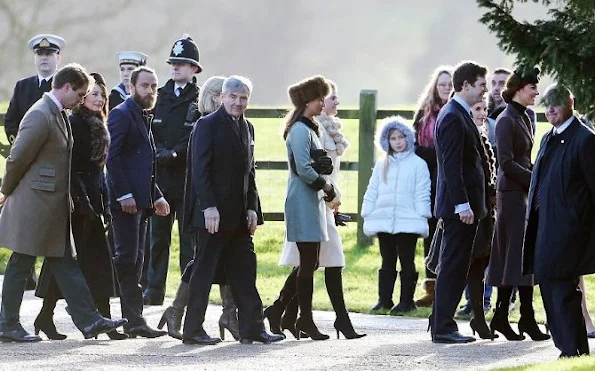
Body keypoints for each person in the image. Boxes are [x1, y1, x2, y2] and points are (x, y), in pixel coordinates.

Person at [0, 63, 127, 342]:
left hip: (52, 204)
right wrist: (6, 190)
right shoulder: (40, 114)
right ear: (67, 87)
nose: (82, 100)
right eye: (80, 94)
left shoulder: (56, 113)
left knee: (65, 261)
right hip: (35, 203)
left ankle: (90, 320)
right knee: (22, 262)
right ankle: (7, 324)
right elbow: (18, 157)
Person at [181, 76, 283, 345]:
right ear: (222, 97)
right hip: (211, 215)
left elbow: (249, 172)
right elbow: (199, 171)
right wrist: (209, 207)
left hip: (239, 215)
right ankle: (192, 330)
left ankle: (253, 328)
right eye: (234, 97)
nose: (239, 103)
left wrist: (252, 208)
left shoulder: (248, 127)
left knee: (245, 270)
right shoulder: (206, 126)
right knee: (203, 271)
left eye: (244, 98)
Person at [266, 80, 364, 340]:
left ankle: (294, 316)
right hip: (303, 200)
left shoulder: (310, 129)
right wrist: (328, 188)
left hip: (313, 200)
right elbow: (304, 169)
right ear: (307, 102)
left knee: (311, 261)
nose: (323, 103)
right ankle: (303, 319)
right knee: (308, 262)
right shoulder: (299, 130)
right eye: (319, 99)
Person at [158, 75, 241, 341]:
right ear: (216, 97)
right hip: (200, 199)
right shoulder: (205, 124)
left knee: (212, 259)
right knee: (206, 260)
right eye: (225, 95)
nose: (232, 101)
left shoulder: (228, 123)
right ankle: (185, 311)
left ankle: (184, 310)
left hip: (211, 200)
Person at [523, 83, 595, 358]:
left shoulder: (585, 139)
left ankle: (572, 349)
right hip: (544, 226)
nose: (550, 109)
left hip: (570, 230)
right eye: (547, 103)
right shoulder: (548, 138)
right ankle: (570, 347)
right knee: (549, 284)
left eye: (557, 103)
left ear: (571, 104)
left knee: (563, 288)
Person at [106, 66, 170, 338]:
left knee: (136, 260)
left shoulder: (143, 116)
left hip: (141, 202)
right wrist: (123, 195)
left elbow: (143, 165)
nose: (151, 91)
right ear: (132, 87)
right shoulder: (121, 115)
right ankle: (132, 319)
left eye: (154, 86)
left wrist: (157, 195)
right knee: (128, 260)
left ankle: (132, 319)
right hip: (125, 203)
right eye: (145, 85)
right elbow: (113, 158)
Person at [486, 67, 549, 342]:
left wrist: (539, 173)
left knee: (521, 256)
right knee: (515, 255)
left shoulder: (523, 116)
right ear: (519, 89)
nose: (536, 92)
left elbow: (523, 159)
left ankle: (516, 316)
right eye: (532, 87)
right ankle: (515, 316)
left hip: (522, 193)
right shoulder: (506, 119)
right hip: (511, 195)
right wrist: (535, 178)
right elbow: (507, 163)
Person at [430, 61, 489, 344]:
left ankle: (441, 322)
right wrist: (462, 205)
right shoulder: (453, 116)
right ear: (465, 85)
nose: (485, 91)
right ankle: (443, 326)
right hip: (459, 209)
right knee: (453, 266)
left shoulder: (459, 113)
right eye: (481, 85)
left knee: (457, 265)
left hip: (466, 206)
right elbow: (451, 166)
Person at [143, 34, 202, 306]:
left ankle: (186, 293)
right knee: (157, 240)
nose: (177, 67)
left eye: (183, 63)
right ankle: (154, 290)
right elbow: (150, 129)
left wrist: (176, 151)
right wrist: (159, 151)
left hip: (187, 180)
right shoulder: (160, 96)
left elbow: (197, 136)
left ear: (194, 69)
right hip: (161, 179)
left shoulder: (200, 100)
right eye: (174, 63)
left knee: (188, 242)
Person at [4, 33, 66, 291]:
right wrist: (22, 144)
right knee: (26, 222)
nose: (44, 59)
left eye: (49, 54)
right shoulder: (24, 86)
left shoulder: (64, 88)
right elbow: (11, 120)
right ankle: (28, 275)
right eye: (40, 55)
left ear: (58, 58)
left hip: (51, 166)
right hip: (27, 162)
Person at [362, 116, 431, 315]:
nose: (398, 142)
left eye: (401, 137)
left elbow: (422, 191)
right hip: (384, 219)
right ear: (387, 141)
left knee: (407, 260)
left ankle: (406, 301)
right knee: (387, 260)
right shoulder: (382, 164)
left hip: (408, 220)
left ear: (408, 138)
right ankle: (384, 299)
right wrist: (368, 210)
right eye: (393, 138)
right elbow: (373, 189)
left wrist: (422, 214)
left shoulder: (418, 164)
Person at [411, 66, 453, 309]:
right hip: (428, 182)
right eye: (442, 84)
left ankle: (450, 290)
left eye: (449, 84)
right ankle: (431, 289)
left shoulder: (459, 111)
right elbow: (414, 146)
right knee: (430, 236)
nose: (446, 88)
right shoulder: (425, 114)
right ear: (435, 87)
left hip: (449, 181)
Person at [456, 99, 496, 320]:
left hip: (485, 211)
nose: (483, 114)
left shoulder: (482, 137)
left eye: (485, 109)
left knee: (478, 267)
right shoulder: (466, 137)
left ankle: (478, 318)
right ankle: (439, 318)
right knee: (463, 266)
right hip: (469, 209)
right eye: (478, 109)